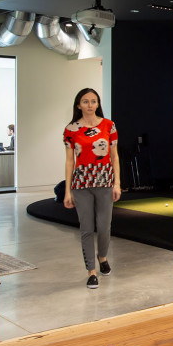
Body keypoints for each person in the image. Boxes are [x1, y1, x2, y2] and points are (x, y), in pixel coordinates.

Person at [63, 88, 120, 289]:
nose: (89, 105)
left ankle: (102, 258)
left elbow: (114, 157)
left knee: (104, 227)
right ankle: (91, 271)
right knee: (86, 228)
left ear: (98, 104)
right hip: (81, 184)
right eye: (85, 101)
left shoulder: (109, 126)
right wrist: (67, 191)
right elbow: (70, 161)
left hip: (105, 181)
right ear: (78, 105)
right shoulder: (71, 129)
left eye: (93, 101)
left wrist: (117, 184)